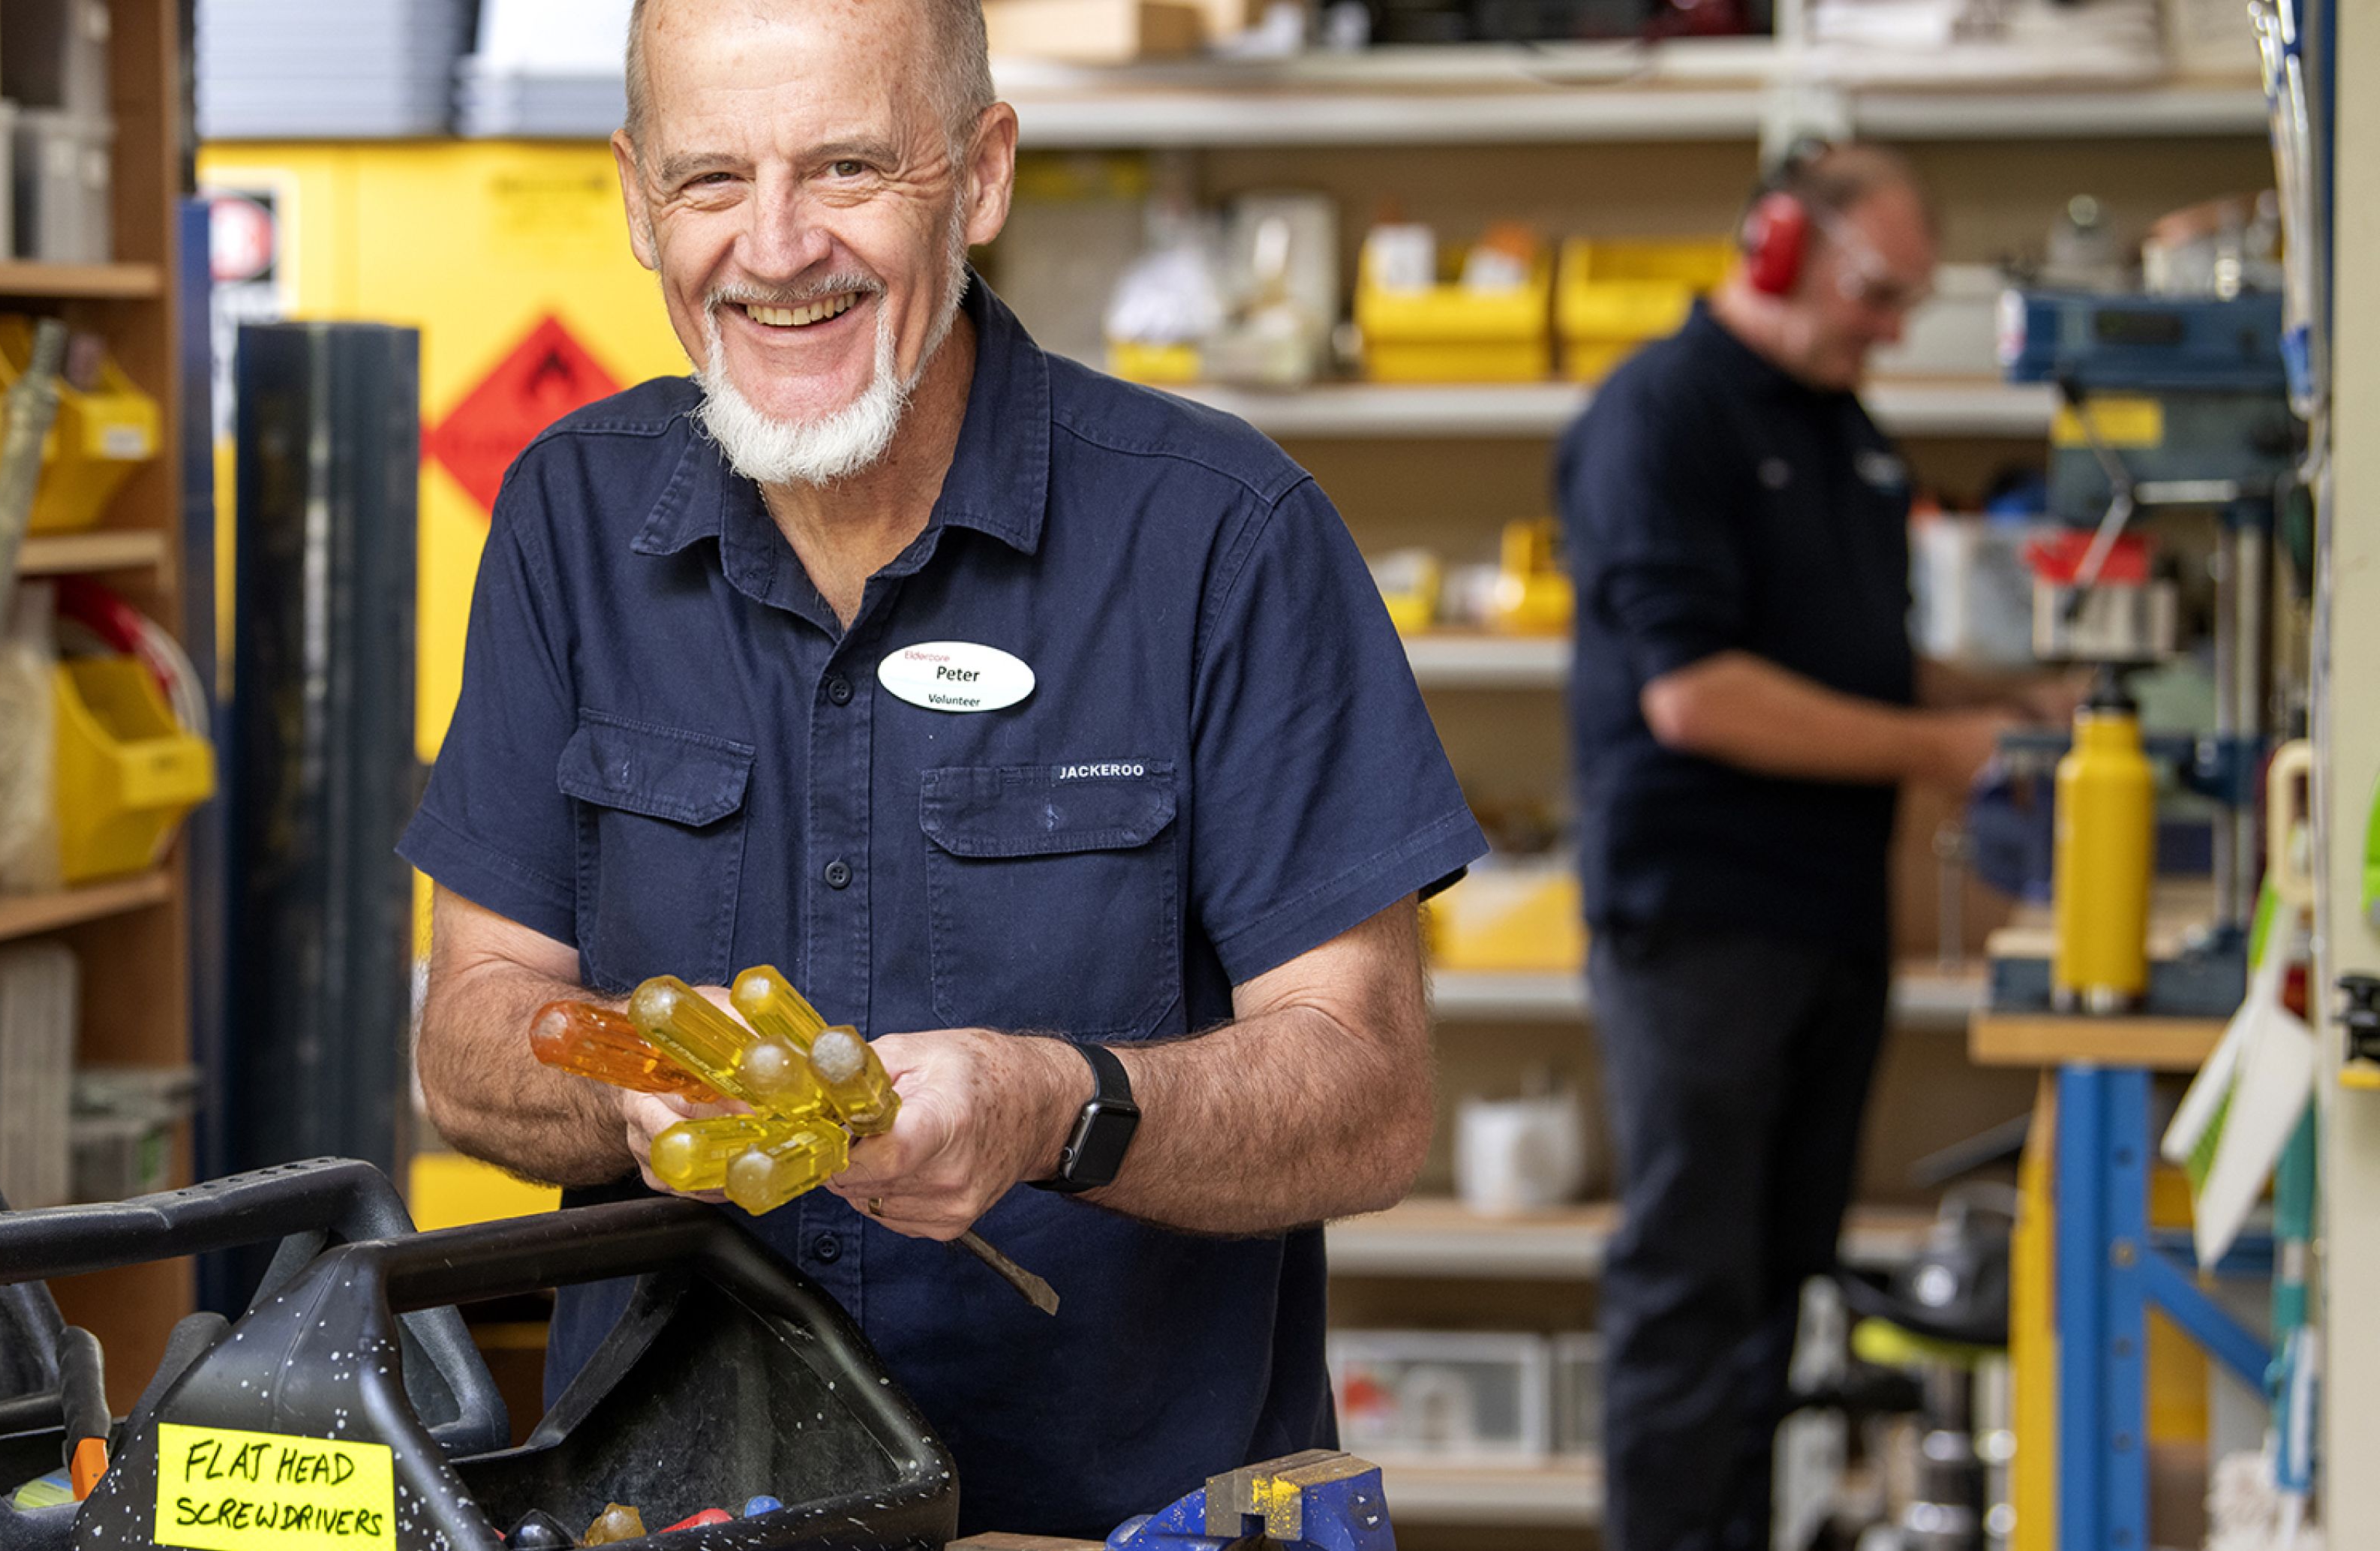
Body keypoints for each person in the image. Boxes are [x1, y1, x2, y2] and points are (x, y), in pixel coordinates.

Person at [399, 0, 1486, 1535]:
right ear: (639, 202)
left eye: (846, 168)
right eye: (713, 182)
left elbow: (1367, 1093)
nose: (776, 250)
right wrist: (641, 1076)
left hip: (1117, 1517)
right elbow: (468, 1036)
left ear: (978, 177)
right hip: (687, 1509)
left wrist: (1056, 1105)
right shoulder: (570, 518)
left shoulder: (1223, 537)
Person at [1560, 142, 2069, 1551]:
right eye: (1878, 292)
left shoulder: (1848, 427)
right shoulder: (1664, 418)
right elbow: (1696, 692)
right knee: (1692, 1286)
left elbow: (1871, 662)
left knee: (1779, 1281)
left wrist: (2013, 706)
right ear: (1777, 245)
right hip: (1705, 924)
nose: (1894, 325)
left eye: (1910, 300)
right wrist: (1943, 753)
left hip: (1830, 917)